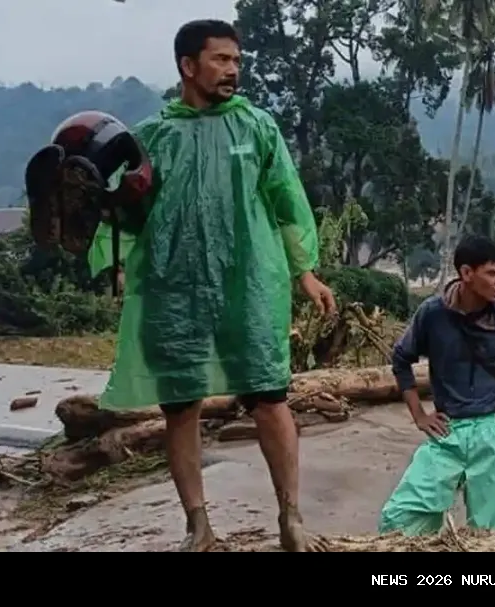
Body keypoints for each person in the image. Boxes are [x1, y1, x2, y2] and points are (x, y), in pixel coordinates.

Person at [87, 19, 336, 552]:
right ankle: (198, 526)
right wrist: (111, 256)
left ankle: (291, 518)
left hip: (249, 286)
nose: (232, 71)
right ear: (188, 66)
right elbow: (127, 214)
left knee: (269, 397)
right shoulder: (152, 137)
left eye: (237, 61)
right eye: (221, 60)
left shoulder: (256, 128)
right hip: (173, 291)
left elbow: (287, 200)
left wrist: (305, 270)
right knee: (182, 406)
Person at [379, 235, 495, 535]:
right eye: (492, 273)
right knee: (400, 521)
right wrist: (419, 415)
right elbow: (401, 358)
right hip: (447, 432)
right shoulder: (433, 313)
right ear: (466, 274)